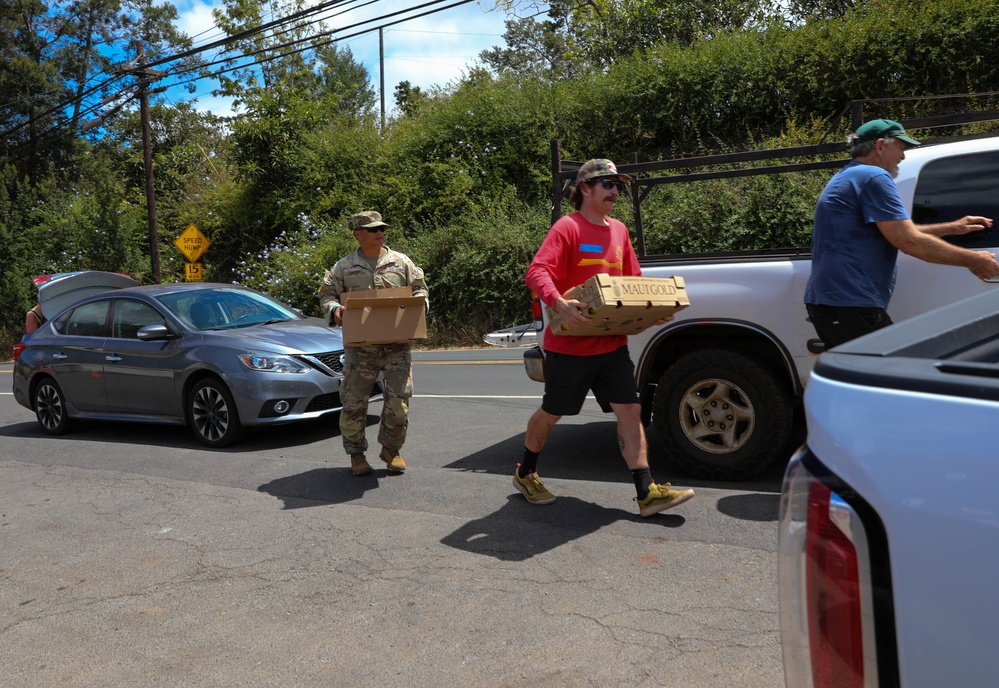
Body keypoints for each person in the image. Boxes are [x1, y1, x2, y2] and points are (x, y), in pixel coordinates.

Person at [516, 158, 695, 518]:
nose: (616, 191)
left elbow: (633, 281)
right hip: (570, 345)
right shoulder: (568, 228)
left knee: (630, 410)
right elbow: (536, 272)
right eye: (608, 184)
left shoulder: (620, 231)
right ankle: (526, 471)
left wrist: (650, 309)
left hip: (611, 343)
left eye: (619, 186)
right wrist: (560, 303)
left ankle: (646, 491)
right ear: (586, 188)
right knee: (553, 412)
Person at [805, 118, 999, 348]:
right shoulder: (873, 177)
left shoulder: (852, 175)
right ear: (880, 146)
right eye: (901, 147)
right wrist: (973, 259)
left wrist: (953, 227)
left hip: (835, 303)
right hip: (850, 304)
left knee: (868, 378)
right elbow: (909, 242)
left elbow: (898, 231)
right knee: (889, 375)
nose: (903, 156)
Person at [318, 211, 429, 476]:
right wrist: (334, 308)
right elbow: (327, 295)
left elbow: (420, 290)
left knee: (399, 404)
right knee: (354, 403)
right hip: (360, 349)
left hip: (397, 346)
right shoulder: (343, 267)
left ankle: (391, 450)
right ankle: (356, 455)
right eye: (372, 229)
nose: (379, 232)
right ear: (358, 234)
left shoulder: (401, 262)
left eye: (381, 228)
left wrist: (420, 305)